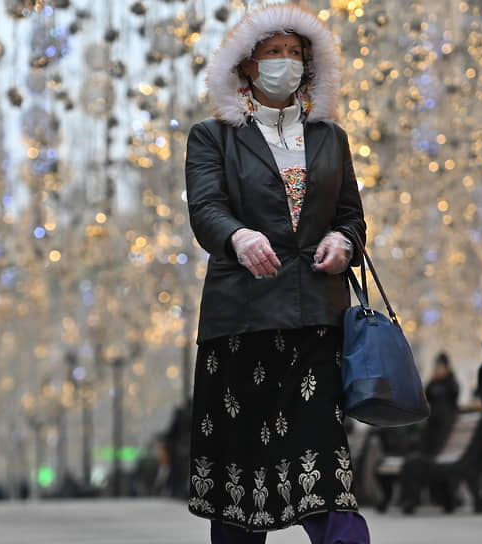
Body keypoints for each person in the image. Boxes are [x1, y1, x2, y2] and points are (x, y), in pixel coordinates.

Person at [184, 4, 368, 543]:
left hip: (315, 320)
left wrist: (343, 241)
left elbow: (351, 217)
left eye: (295, 54)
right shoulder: (211, 136)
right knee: (239, 482)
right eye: (273, 53)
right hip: (240, 323)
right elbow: (206, 208)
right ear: (246, 65)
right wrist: (239, 236)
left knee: (324, 471)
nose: (285, 63)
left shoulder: (330, 136)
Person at [421, 352, 460, 456]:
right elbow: (426, 397)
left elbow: (454, 395)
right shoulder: (433, 383)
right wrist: (432, 380)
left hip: (446, 420)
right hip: (433, 420)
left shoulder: (451, 382)